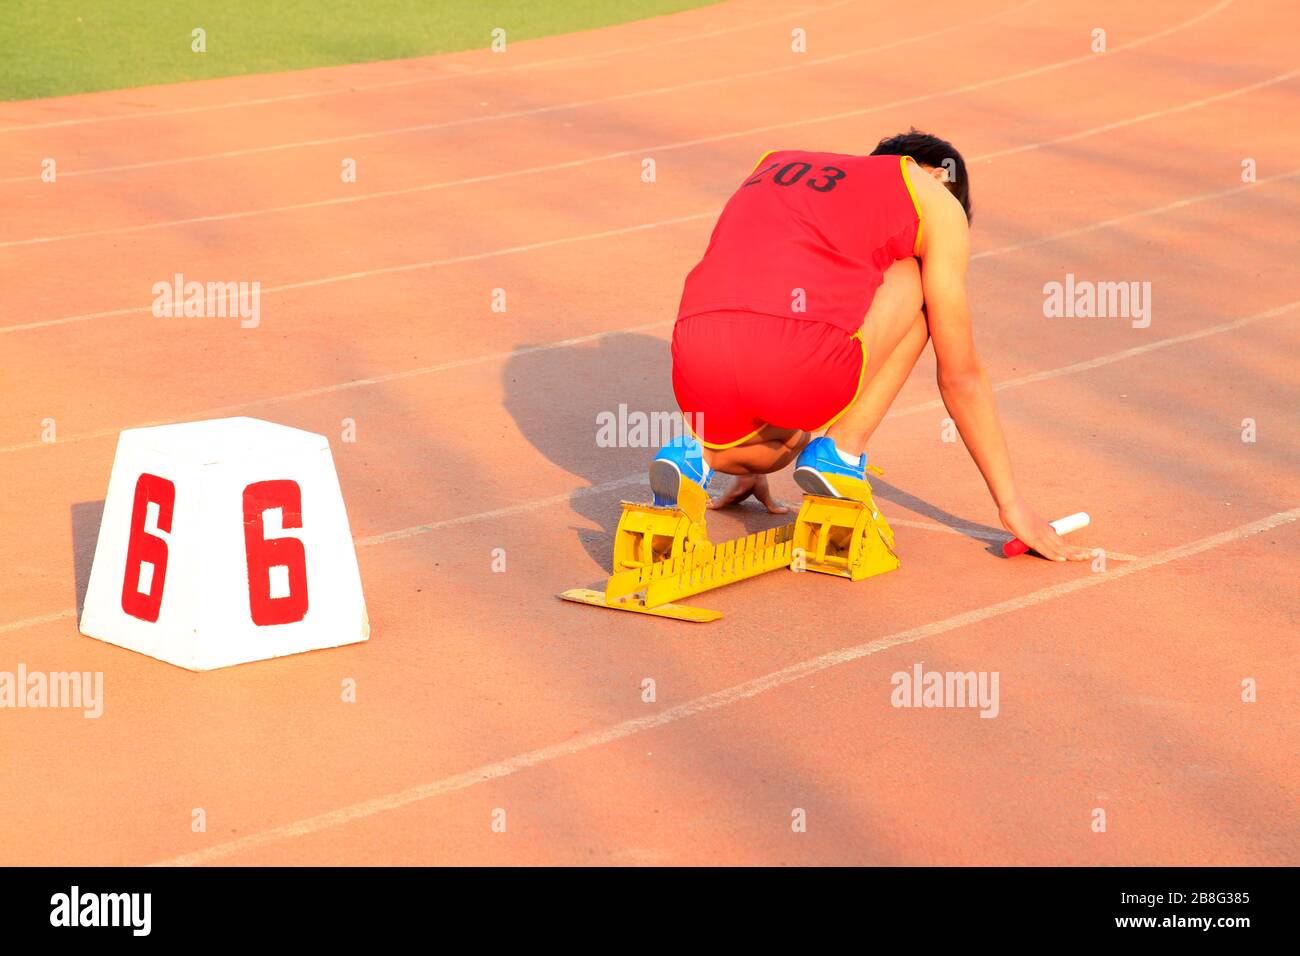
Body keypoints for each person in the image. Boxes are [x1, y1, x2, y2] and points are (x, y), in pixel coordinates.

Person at [650, 130, 1090, 561]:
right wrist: (1011, 504)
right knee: (927, 289)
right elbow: (960, 376)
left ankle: (698, 457)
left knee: (782, 448)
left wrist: (753, 457)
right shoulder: (930, 194)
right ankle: (841, 452)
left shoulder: (773, 162)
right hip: (800, 369)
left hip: (695, 360)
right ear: (939, 177)